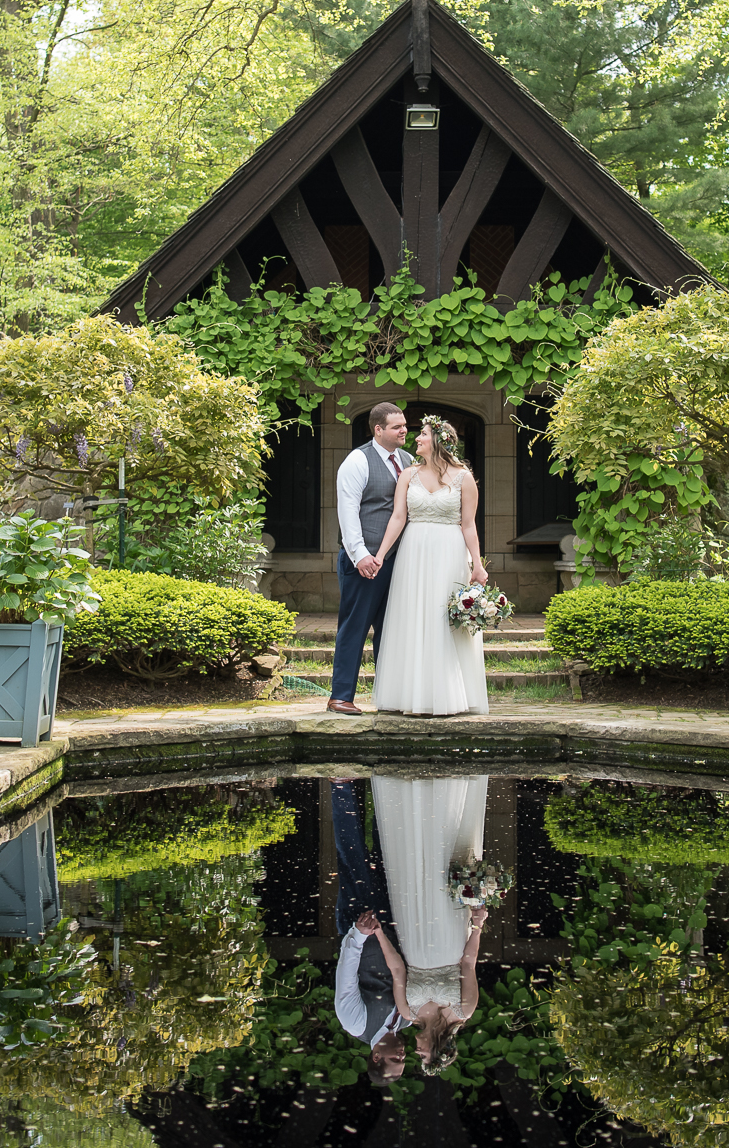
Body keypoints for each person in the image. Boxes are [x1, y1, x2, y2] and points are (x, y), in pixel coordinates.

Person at [368, 414, 489, 717]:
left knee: (443, 620)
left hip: (449, 551)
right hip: (414, 551)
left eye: (422, 434)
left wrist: (478, 565)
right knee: (414, 617)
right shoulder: (408, 475)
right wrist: (381, 555)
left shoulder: (464, 477)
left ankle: (449, 695)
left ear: (437, 440)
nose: (416, 439)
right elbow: (398, 518)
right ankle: (410, 694)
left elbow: (469, 525)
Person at [372, 774, 489, 1072]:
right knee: (441, 871)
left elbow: (397, 968)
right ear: (437, 1050)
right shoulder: (464, 1010)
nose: (416, 1051)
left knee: (414, 873)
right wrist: (477, 926)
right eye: (422, 1056)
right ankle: (448, 796)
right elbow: (468, 963)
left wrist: (379, 934)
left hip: (414, 938)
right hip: (450, 939)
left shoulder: (407, 1012)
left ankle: (412, 794)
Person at [326, 402, 413, 716]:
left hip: (397, 561)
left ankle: (388, 696)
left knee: (391, 630)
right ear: (378, 429)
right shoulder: (357, 460)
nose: (404, 430)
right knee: (355, 627)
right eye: (396, 427)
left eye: (404, 425)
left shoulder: (407, 460)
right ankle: (341, 696)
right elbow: (347, 512)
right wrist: (361, 555)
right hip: (364, 563)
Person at [330, 779, 411, 1083]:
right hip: (392, 925)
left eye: (395, 1060)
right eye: (403, 1061)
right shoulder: (404, 1020)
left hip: (359, 924)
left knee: (352, 855)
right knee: (388, 853)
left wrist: (359, 933)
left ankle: (342, 787)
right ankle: (384, 784)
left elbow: (347, 977)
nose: (402, 1055)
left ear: (376, 1057)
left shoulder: (355, 1024)